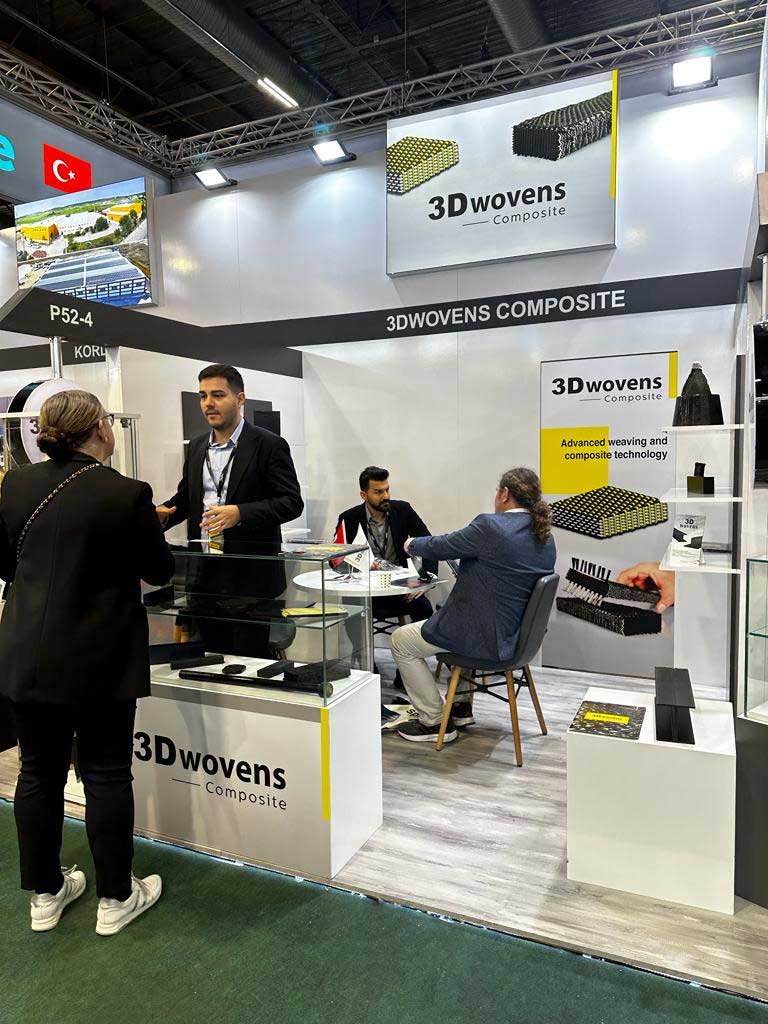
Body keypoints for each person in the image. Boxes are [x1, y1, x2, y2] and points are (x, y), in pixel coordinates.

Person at [0, 390, 175, 935]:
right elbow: (160, 570)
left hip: (27, 653)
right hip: (101, 657)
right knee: (105, 774)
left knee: (37, 773)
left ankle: (45, 894)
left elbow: (6, 564)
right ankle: (116, 898)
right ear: (101, 427)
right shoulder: (125, 492)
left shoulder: (15, 484)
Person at [391, 468, 556, 744]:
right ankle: (460, 707)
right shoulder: (545, 536)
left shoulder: (491, 526)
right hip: (516, 638)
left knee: (401, 641)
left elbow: (442, 545)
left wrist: (410, 544)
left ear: (505, 494)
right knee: (464, 622)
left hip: (483, 638)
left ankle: (434, 720)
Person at [157, 364, 304, 654]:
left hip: (251, 576)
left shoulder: (269, 445)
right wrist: (162, 513)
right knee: (211, 658)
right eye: (203, 396)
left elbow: (291, 502)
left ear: (240, 399)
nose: (208, 403)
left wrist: (240, 513)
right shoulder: (197, 446)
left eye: (218, 395)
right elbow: (188, 498)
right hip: (205, 575)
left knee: (249, 662)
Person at [334, 466, 437, 626]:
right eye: (378, 492)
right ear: (363, 495)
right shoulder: (349, 518)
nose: (386, 496)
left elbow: (429, 544)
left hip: (400, 586)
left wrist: (426, 581)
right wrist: (360, 564)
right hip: (364, 588)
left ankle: (415, 643)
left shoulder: (403, 510)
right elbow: (335, 559)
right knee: (351, 613)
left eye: (387, 490)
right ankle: (360, 644)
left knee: (424, 609)